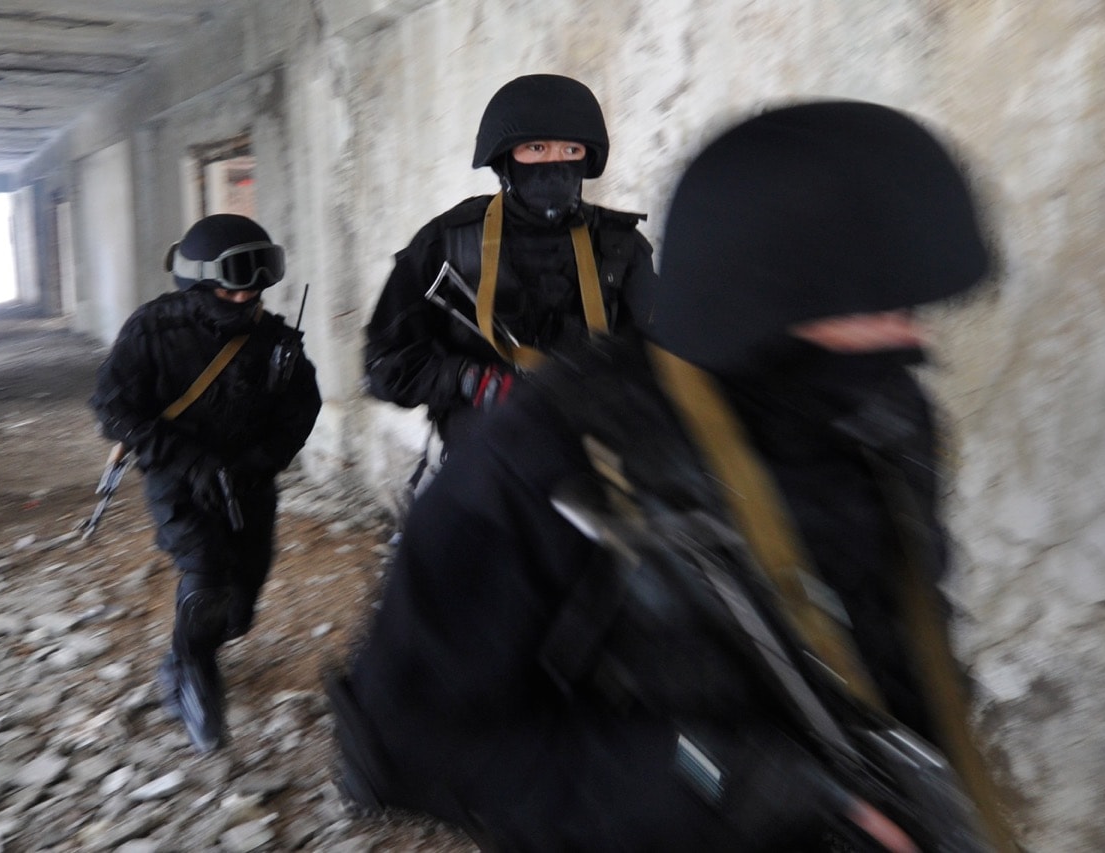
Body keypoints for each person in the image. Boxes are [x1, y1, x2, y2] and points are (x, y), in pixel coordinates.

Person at [329, 101, 1017, 851]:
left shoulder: (884, 416)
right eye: (872, 305)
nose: (906, 337)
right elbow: (403, 738)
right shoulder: (531, 437)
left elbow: (904, 630)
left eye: (566, 145)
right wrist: (720, 782)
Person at [91, 213, 321, 753]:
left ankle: (184, 653)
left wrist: (258, 464)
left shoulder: (274, 340)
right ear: (196, 280)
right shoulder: (153, 329)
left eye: (253, 289)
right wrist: (187, 461)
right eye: (228, 288)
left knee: (240, 607)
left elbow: (300, 411)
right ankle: (193, 677)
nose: (243, 300)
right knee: (206, 573)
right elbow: (112, 407)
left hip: (247, 483)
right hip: (177, 479)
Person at [364, 73, 658, 469]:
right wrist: (470, 380)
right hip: (481, 468)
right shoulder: (446, 246)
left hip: (593, 466)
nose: (555, 162)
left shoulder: (621, 245)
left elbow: (663, 354)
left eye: (571, 149)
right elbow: (385, 365)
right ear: (505, 157)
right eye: (536, 148)